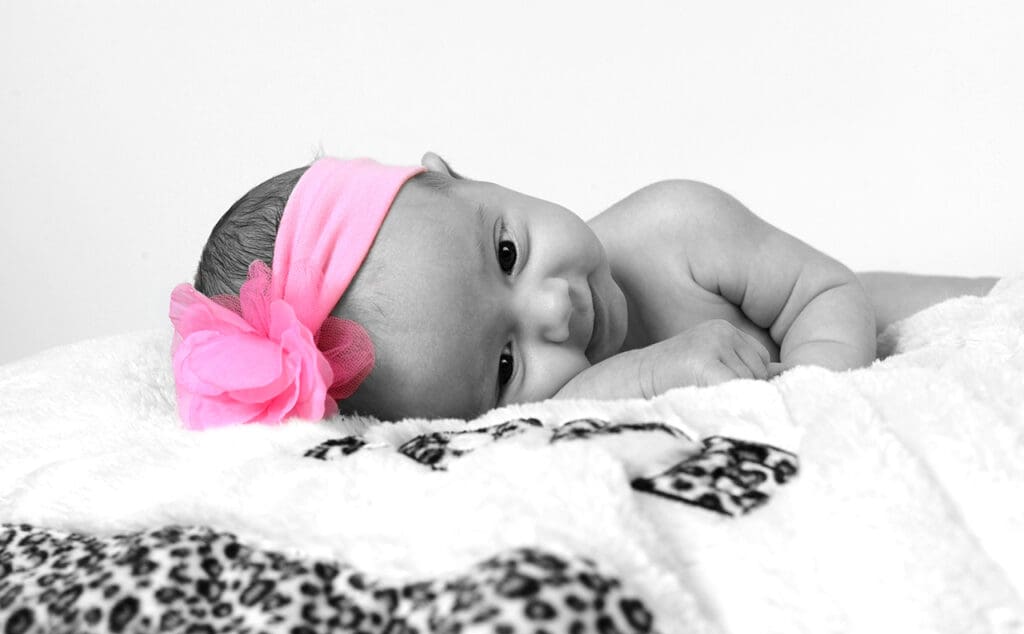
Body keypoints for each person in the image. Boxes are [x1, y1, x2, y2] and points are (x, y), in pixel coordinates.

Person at [170, 154, 996, 428]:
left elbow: (828, 294)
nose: (555, 310)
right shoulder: (556, 420)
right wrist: (616, 382)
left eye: (504, 251)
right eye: (502, 362)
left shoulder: (679, 227)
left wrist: (817, 398)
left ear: (453, 174)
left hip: (898, 314)